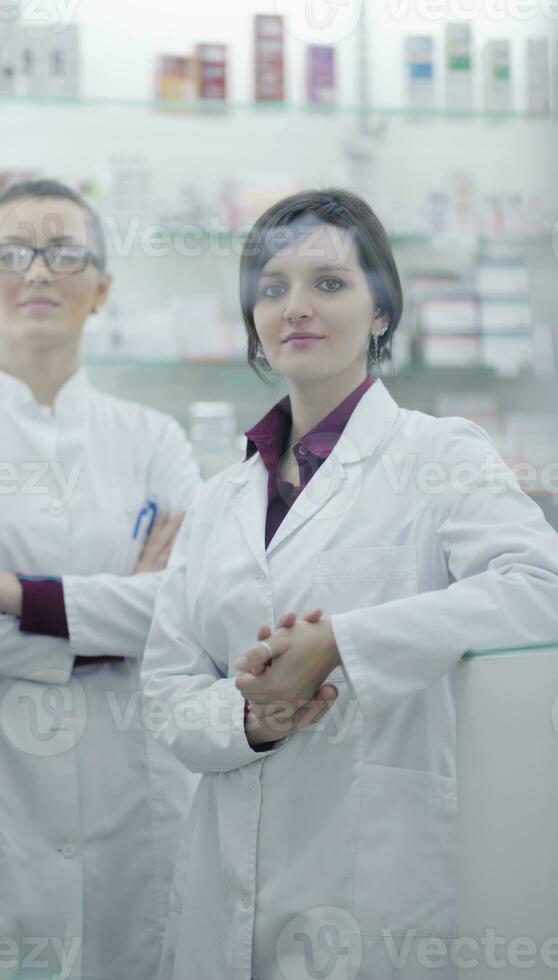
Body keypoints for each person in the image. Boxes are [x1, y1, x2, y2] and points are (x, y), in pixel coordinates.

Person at [141, 188, 558, 980]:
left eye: (329, 283)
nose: (296, 306)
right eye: (273, 287)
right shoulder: (222, 495)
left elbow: (541, 583)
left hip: (368, 873)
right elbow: (165, 690)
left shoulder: (440, 455)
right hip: (224, 873)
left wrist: (342, 644)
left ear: (380, 311)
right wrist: (256, 717)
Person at [0, 179, 201, 980]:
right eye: (11, 252)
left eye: (64, 252)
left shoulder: (154, 438)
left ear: (102, 286)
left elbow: (187, 609)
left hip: (129, 786)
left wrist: (2, 590)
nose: (37, 272)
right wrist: (95, 643)